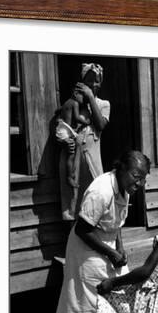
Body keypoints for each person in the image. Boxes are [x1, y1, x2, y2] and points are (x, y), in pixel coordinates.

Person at [54, 150, 151, 313]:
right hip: (86, 249)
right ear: (121, 170)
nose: (140, 182)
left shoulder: (125, 188)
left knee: (123, 292)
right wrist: (110, 252)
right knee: (91, 303)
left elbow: (116, 223)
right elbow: (82, 229)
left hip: (107, 244)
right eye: (136, 176)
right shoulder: (101, 191)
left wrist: (120, 248)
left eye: (143, 178)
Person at [58, 62, 110, 221]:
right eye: (88, 81)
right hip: (73, 156)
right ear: (80, 83)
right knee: (72, 196)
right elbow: (61, 128)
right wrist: (65, 141)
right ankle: (72, 232)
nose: (92, 85)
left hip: (91, 157)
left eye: (96, 81)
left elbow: (100, 124)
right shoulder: (73, 103)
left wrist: (89, 97)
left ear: (100, 84)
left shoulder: (103, 104)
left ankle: (93, 230)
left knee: (96, 192)